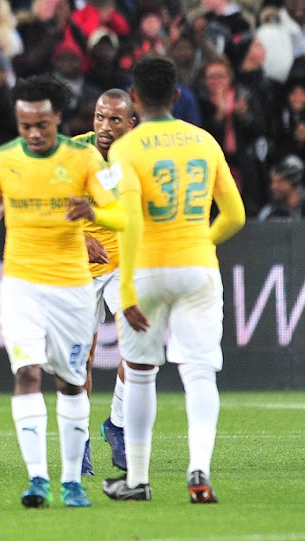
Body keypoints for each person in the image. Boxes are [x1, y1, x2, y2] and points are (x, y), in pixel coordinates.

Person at [0, 74, 126, 508]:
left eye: (42, 125)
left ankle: (72, 480)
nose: (33, 134)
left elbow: (123, 218)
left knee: (72, 383)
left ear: (58, 118)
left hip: (73, 287)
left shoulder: (85, 159)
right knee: (27, 375)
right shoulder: (3, 160)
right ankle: (38, 478)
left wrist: (96, 212)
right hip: (21, 288)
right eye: (24, 126)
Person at [102, 55, 245, 503]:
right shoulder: (204, 141)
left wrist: (125, 288)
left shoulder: (125, 148)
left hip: (147, 270)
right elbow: (235, 215)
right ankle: (199, 470)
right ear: (178, 96)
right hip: (198, 266)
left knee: (141, 373)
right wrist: (204, 240)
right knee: (200, 373)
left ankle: (138, 480)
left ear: (136, 99)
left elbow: (127, 220)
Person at [71, 88, 136, 476]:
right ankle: (79, 442)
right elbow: (47, 205)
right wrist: (80, 236)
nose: (104, 127)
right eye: (99, 117)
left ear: (131, 123)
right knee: (83, 359)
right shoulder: (75, 151)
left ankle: (117, 423)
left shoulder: (141, 157)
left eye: (114, 120)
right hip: (77, 266)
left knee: (137, 350)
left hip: (124, 265)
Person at [258, 155, 305, 221]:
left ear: (294, 182)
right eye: (273, 182)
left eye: (280, 181)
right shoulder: (269, 213)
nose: (274, 186)